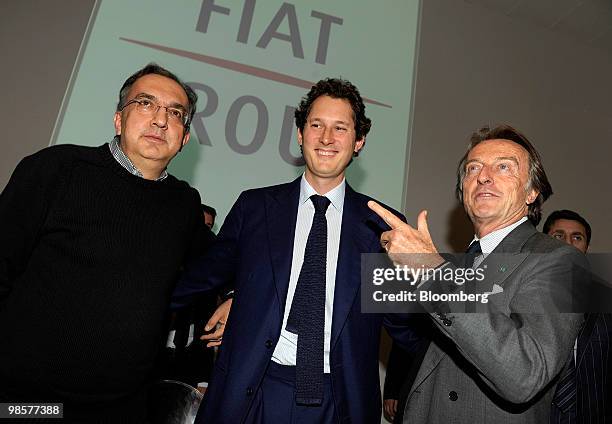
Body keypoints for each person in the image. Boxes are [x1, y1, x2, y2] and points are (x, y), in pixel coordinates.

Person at [172, 78, 423, 423]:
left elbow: (407, 329)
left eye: (341, 128)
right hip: (254, 391)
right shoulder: (255, 207)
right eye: (316, 125)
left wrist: (431, 275)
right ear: (300, 133)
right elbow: (200, 279)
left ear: (359, 141)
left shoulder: (382, 226)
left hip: (338, 403)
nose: (326, 138)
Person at [0, 63, 214, 422]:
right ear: (118, 120)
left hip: (120, 408)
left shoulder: (184, 204)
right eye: (145, 104)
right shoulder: (57, 169)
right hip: (28, 402)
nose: (160, 120)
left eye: (175, 113)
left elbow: (218, 265)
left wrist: (235, 297)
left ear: (185, 138)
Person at [369, 124, 587, 423]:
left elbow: (525, 373)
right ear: (463, 192)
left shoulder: (562, 261)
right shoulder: (455, 265)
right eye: (473, 169)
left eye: (504, 167)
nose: (484, 176)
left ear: (532, 192)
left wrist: (429, 268)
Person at [543, 210, 612, 423]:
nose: (568, 243)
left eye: (577, 237)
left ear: (586, 249)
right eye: (558, 236)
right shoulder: (518, 295)